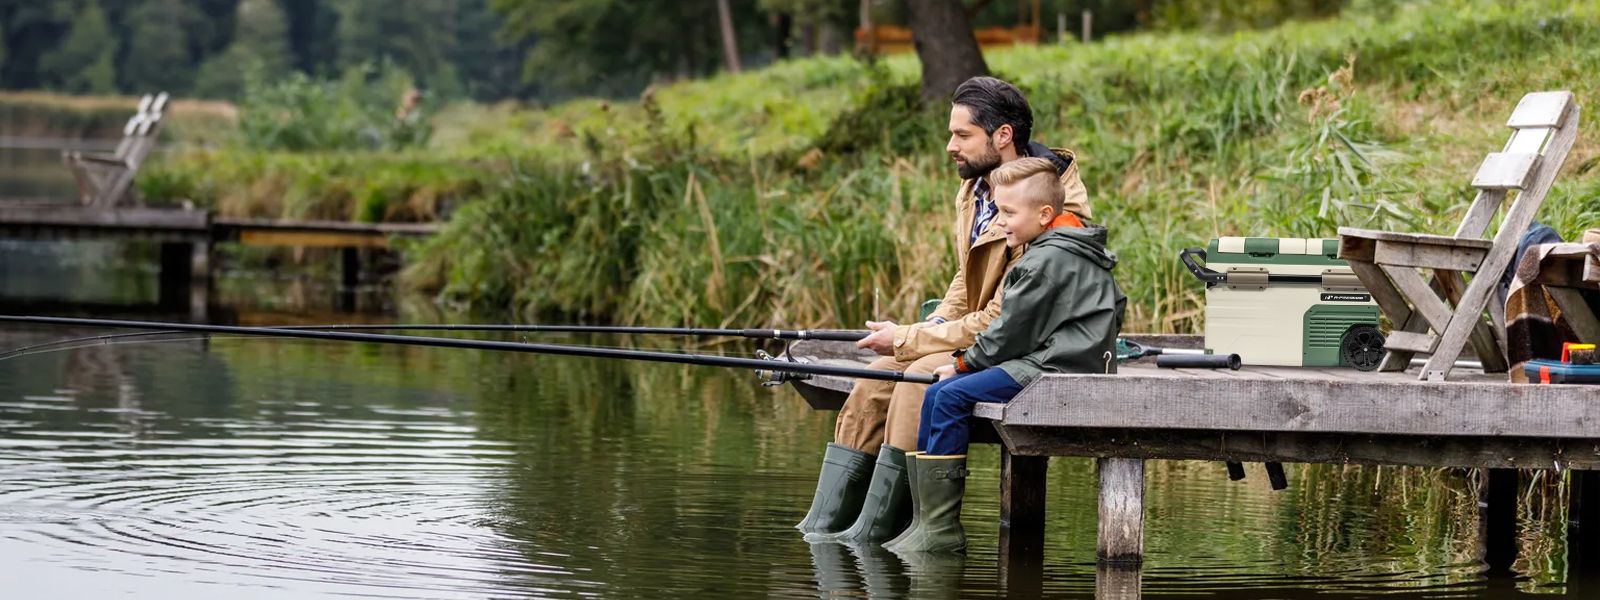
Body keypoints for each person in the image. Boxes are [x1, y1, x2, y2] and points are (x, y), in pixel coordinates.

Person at [799, 77, 1092, 545]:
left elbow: (1004, 316)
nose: (950, 146)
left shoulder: (1045, 205)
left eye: (962, 135)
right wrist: (924, 327)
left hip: (1025, 342)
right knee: (876, 377)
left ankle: (889, 529)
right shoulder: (977, 187)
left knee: (916, 379)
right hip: (979, 331)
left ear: (1002, 136)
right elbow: (967, 278)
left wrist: (910, 341)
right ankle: (831, 525)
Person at [884, 156, 1126, 554]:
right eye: (997, 209)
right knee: (935, 394)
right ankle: (924, 521)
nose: (999, 221)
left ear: (1045, 214)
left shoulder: (1045, 261)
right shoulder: (1059, 247)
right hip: (1052, 359)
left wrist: (961, 362)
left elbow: (1007, 334)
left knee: (950, 395)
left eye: (1008, 212)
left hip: (1057, 368)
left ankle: (941, 528)